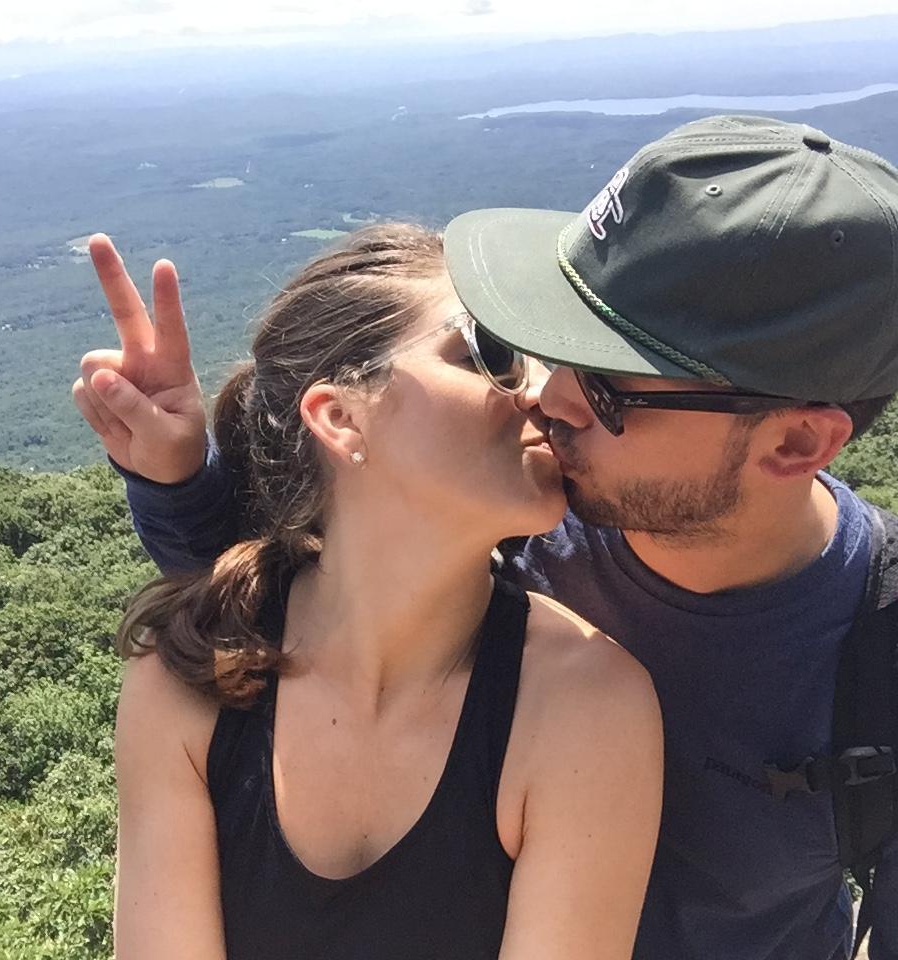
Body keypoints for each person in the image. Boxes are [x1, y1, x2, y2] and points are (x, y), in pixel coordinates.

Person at [74, 114, 898, 960]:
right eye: (552, 340)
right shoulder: (523, 508)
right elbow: (294, 597)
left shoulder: (875, 651)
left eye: (613, 387)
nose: (550, 396)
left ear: (796, 443)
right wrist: (177, 481)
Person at [82, 225, 663, 960]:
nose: (546, 394)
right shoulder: (188, 674)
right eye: (491, 354)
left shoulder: (590, 705)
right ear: (340, 417)